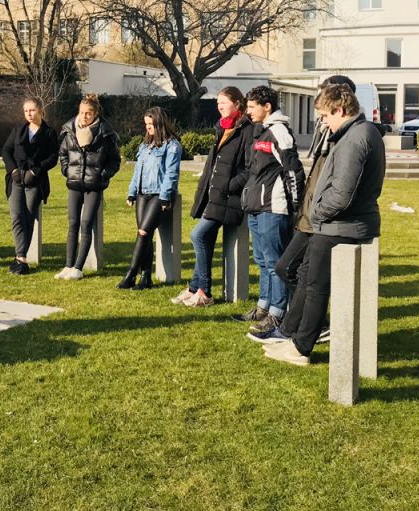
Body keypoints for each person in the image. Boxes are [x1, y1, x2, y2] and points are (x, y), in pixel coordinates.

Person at [263, 84, 385, 366]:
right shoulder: (357, 133)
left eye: (325, 116)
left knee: (316, 288)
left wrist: (316, 213)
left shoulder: (355, 138)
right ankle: (296, 341)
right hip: (338, 225)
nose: (323, 122)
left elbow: (342, 194)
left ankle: (302, 348)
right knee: (308, 281)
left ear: (340, 110)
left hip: (338, 227)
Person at [251, 76, 357, 345]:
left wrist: (302, 207)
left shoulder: (351, 136)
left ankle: (300, 324)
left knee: (297, 272)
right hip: (310, 216)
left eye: (323, 110)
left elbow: (297, 172)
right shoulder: (330, 132)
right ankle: (299, 323)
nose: (320, 116)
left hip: (318, 218)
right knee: (286, 267)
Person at [172, 87, 254, 307]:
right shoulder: (223, 127)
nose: (219, 107)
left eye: (224, 103)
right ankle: (194, 288)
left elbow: (249, 168)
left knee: (197, 236)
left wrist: (229, 185)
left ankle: (205, 291)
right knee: (204, 238)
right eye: (218, 103)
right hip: (213, 195)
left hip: (227, 198)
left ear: (238, 104)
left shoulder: (247, 130)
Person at [236, 86, 305, 332]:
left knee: (275, 261)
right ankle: (263, 306)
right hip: (256, 206)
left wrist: (296, 206)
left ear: (267, 107)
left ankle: (277, 313)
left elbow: (293, 171)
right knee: (261, 259)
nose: (248, 111)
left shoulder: (279, 132)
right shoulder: (260, 132)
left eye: (252, 106)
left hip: (274, 208)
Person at [56, 93, 120, 280]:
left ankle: (78, 267)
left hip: (94, 186)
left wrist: (102, 175)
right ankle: (68, 265)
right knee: (72, 224)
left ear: (95, 114)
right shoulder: (69, 130)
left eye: (88, 114)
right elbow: (63, 154)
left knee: (86, 225)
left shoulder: (105, 132)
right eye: (82, 112)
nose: (84, 117)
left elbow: (114, 161)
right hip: (74, 183)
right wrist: (67, 170)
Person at [117, 107, 182, 290]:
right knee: (144, 234)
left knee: (143, 232)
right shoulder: (144, 146)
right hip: (142, 194)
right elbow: (137, 171)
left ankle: (131, 274)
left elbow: (171, 174)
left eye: (151, 124)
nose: (148, 128)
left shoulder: (172, 146)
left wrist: (164, 197)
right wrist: (131, 192)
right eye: (146, 125)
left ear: (160, 124)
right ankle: (146, 277)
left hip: (158, 195)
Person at [1, 96, 59, 275]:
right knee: (16, 217)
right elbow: (6, 151)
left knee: (28, 217)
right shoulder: (18, 130)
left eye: (32, 110)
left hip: (35, 181)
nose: (29, 114)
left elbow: (53, 157)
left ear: (41, 110)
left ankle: (20, 257)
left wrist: (36, 172)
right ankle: (21, 258)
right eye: (26, 111)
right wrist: (13, 171)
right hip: (16, 179)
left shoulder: (49, 133)